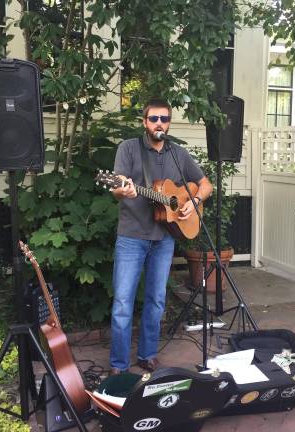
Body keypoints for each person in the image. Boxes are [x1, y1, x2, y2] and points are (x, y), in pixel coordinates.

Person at [109, 98, 213, 375]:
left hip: (165, 238)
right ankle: (119, 365)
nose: (159, 124)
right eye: (153, 119)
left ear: (169, 123)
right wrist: (124, 190)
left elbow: (205, 184)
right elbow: (116, 189)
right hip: (131, 236)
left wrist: (193, 200)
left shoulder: (178, 154)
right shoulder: (129, 149)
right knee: (122, 301)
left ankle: (147, 354)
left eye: (164, 119)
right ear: (145, 122)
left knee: (156, 299)